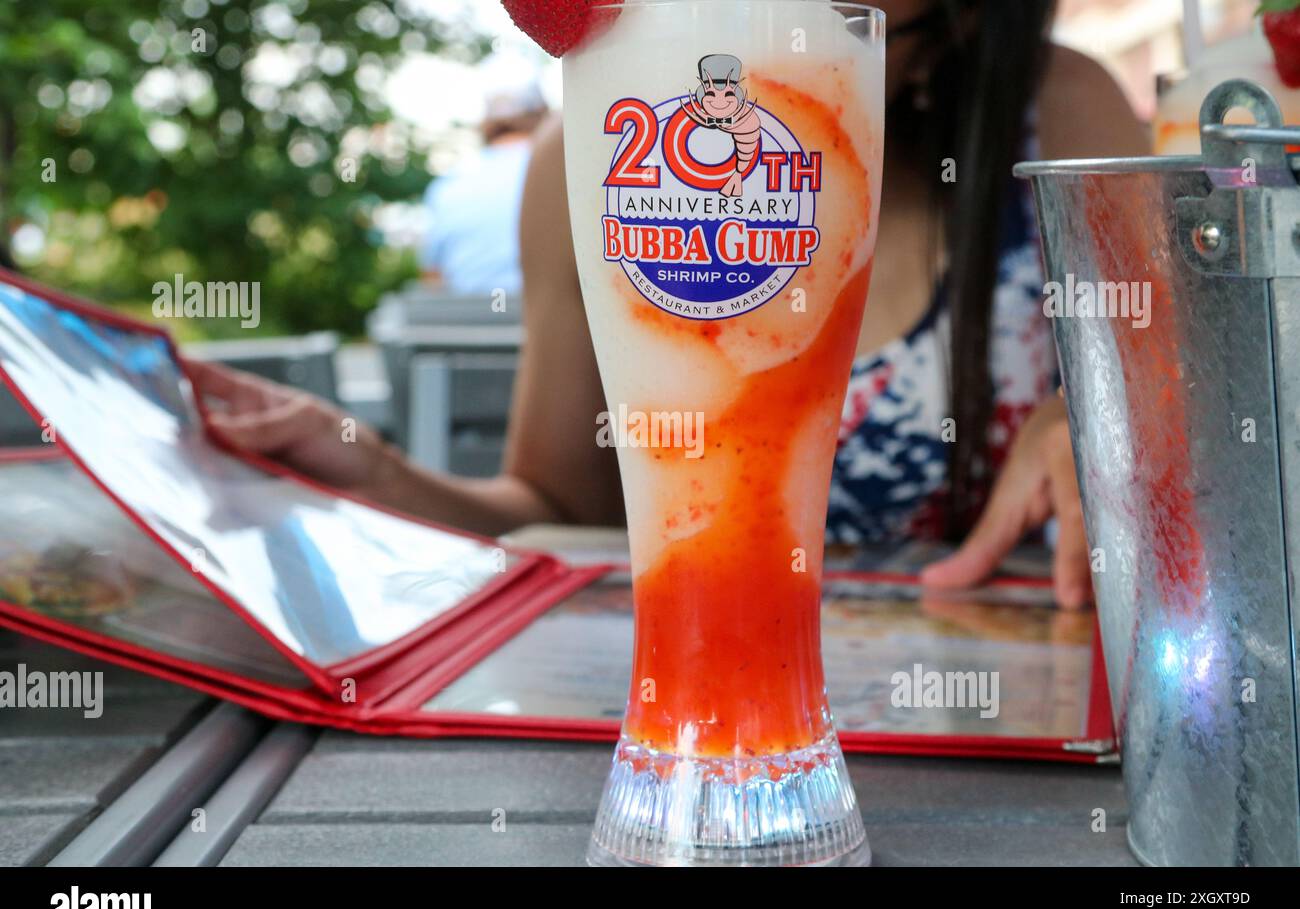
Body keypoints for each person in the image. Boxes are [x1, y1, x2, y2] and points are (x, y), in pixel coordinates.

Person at [189, 0, 1148, 610]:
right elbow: (560, 509)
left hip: (1004, 702)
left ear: (951, 31)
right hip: (686, 706)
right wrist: (372, 471)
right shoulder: (603, 153)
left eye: (826, 23)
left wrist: (1107, 421)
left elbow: (1188, 407)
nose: (768, 46)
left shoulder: (1058, 116)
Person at [419, 80, 547, 294]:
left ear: (485, 123)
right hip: (551, 313)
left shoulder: (448, 185)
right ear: (542, 115)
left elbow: (433, 280)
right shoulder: (566, 174)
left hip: (470, 313)